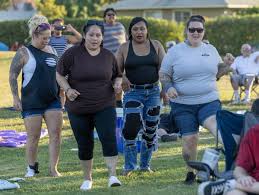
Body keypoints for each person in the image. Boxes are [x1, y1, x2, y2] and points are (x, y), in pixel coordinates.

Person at [159, 15, 234, 184]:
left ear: (203, 31)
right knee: (190, 140)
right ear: (186, 31)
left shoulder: (211, 49)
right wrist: (168, 87)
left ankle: (232, 166)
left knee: (217, 128)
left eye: (199, 29)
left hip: (209, 101)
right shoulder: (175, 51)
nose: (195, 32)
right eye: (192, 29)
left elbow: (217, 73)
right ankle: (190, 172)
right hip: (183, 104)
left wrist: (227, 65)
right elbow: (164, 74)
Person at [56, 19, 122, 190]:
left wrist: (117, 83)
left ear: (102, 37)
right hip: (79, 108)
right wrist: (68, 89)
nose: (94, 38)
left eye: (98, 35)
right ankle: (87, 179)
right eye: (91, 35)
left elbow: (118, 75)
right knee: (84, 143)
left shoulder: (108, 56)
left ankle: (112, 176)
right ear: (84, 36)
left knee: (109, 139)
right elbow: (59, 75)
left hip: (105, 105)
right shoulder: (72, 54)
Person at [9, 15, 63, 177]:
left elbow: (58, 75)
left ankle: (53, 169)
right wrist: (15, 97)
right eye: (44, 38)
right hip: (31, 101)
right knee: (33, 136)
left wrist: (63, 94)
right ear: (34, 35)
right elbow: (12, 75)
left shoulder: (53, 51)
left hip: (52, 100)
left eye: (49, 37)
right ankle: (31, 168)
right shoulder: (24, 52)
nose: (47, 41)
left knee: (56, 135)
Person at [116, 17, 165, 176]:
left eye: (142, 29)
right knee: (131, 127)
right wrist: (122, 77)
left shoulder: (156, 45)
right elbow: (115, 70)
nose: (139, 32)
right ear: (130, 31)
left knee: (151, 130)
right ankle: (129, 166)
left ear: (147, 30)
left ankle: (145, 165)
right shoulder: (124, 48)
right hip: (132, 92)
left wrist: (165, 90)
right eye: (135, 29)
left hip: (153, 92)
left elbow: (164, 70)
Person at [198, 124, 259, 195]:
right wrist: (242, 177)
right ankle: (229, 185)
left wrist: (236, 184)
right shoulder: (254, 133)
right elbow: (239, 169)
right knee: (235, 193)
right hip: (253, 185)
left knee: (233, 188)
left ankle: (231, 184)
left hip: (251, 187)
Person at [49, 18, 82, 109]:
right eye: (56, 26)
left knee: (62, 90)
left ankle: (62, 107)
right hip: (51, 67)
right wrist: (49, 31)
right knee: (51, 89)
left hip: (63, 67)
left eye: (60, 26)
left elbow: (81, 39)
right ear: (52, 26)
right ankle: (52, 107)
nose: (58, 28)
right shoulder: (48, 38)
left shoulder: (65, 38)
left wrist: (72, 30)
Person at [103, 8, 127, 108]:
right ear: (104, 17)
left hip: (121, 60)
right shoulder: (101, 27)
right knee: (107, 83)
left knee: (120, 83)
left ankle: (118, 104)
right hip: (106, 61)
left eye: (113, 14)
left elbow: (125, 40)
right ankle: (107, 104)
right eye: (109, 14)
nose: (111, 16)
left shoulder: (120, 26)